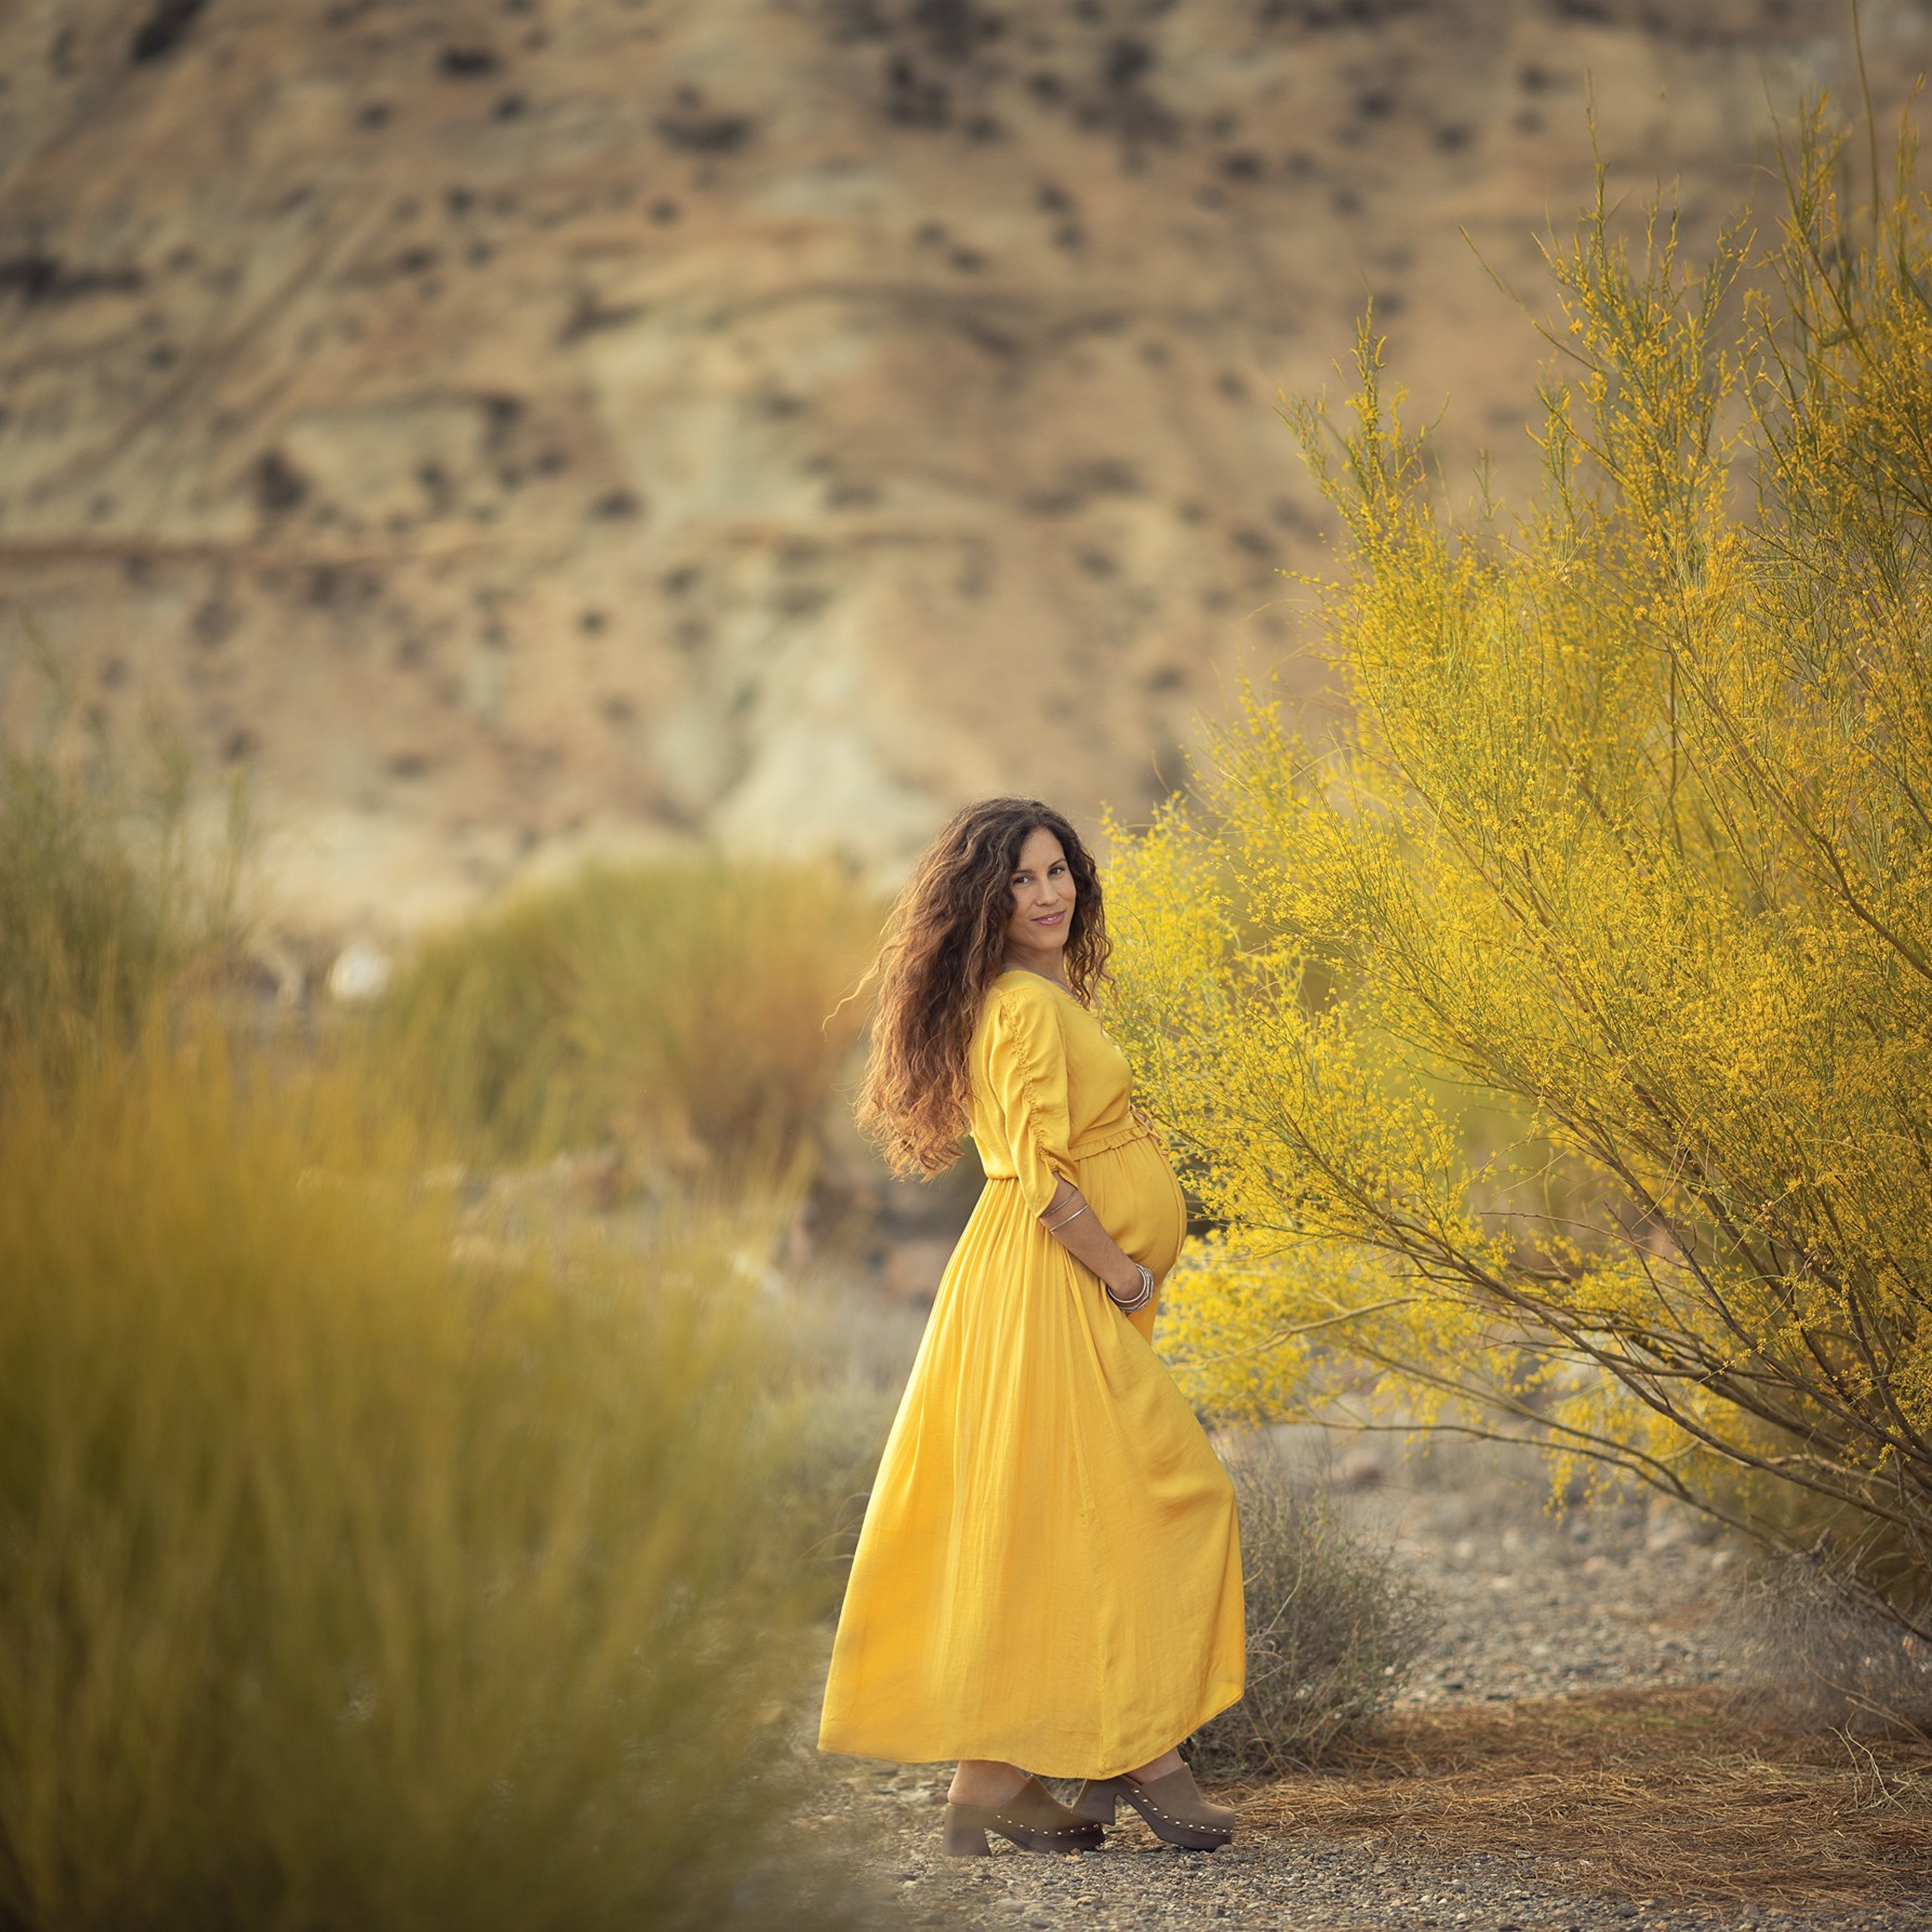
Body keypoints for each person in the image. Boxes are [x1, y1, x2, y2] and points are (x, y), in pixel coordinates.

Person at [818, 797, 1244, 1857]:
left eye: (1058, 871)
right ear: (984, 899)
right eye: (1021, 879)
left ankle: (991, 1790)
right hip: (1055, 1284)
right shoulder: (1019, 1007)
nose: (1047, 893)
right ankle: (1144, 1757)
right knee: (1173, 1500)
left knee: (1055, 1511)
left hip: (1045, 1286)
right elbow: (1037, 1179)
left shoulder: (1034, 997)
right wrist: (1125, 1279)